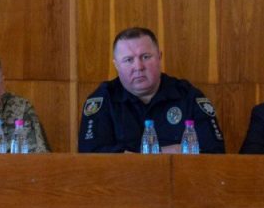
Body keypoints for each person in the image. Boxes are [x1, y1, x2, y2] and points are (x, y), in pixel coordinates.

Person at [78, 27, 225, 153]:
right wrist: (169, 151)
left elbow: (215, 152)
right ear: (116, 65)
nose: (138, 67)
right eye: (129, 60)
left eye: (145, 57)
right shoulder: (104, 99)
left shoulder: (188, 96)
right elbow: (90, 155)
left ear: (159, 57)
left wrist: (129, 155)